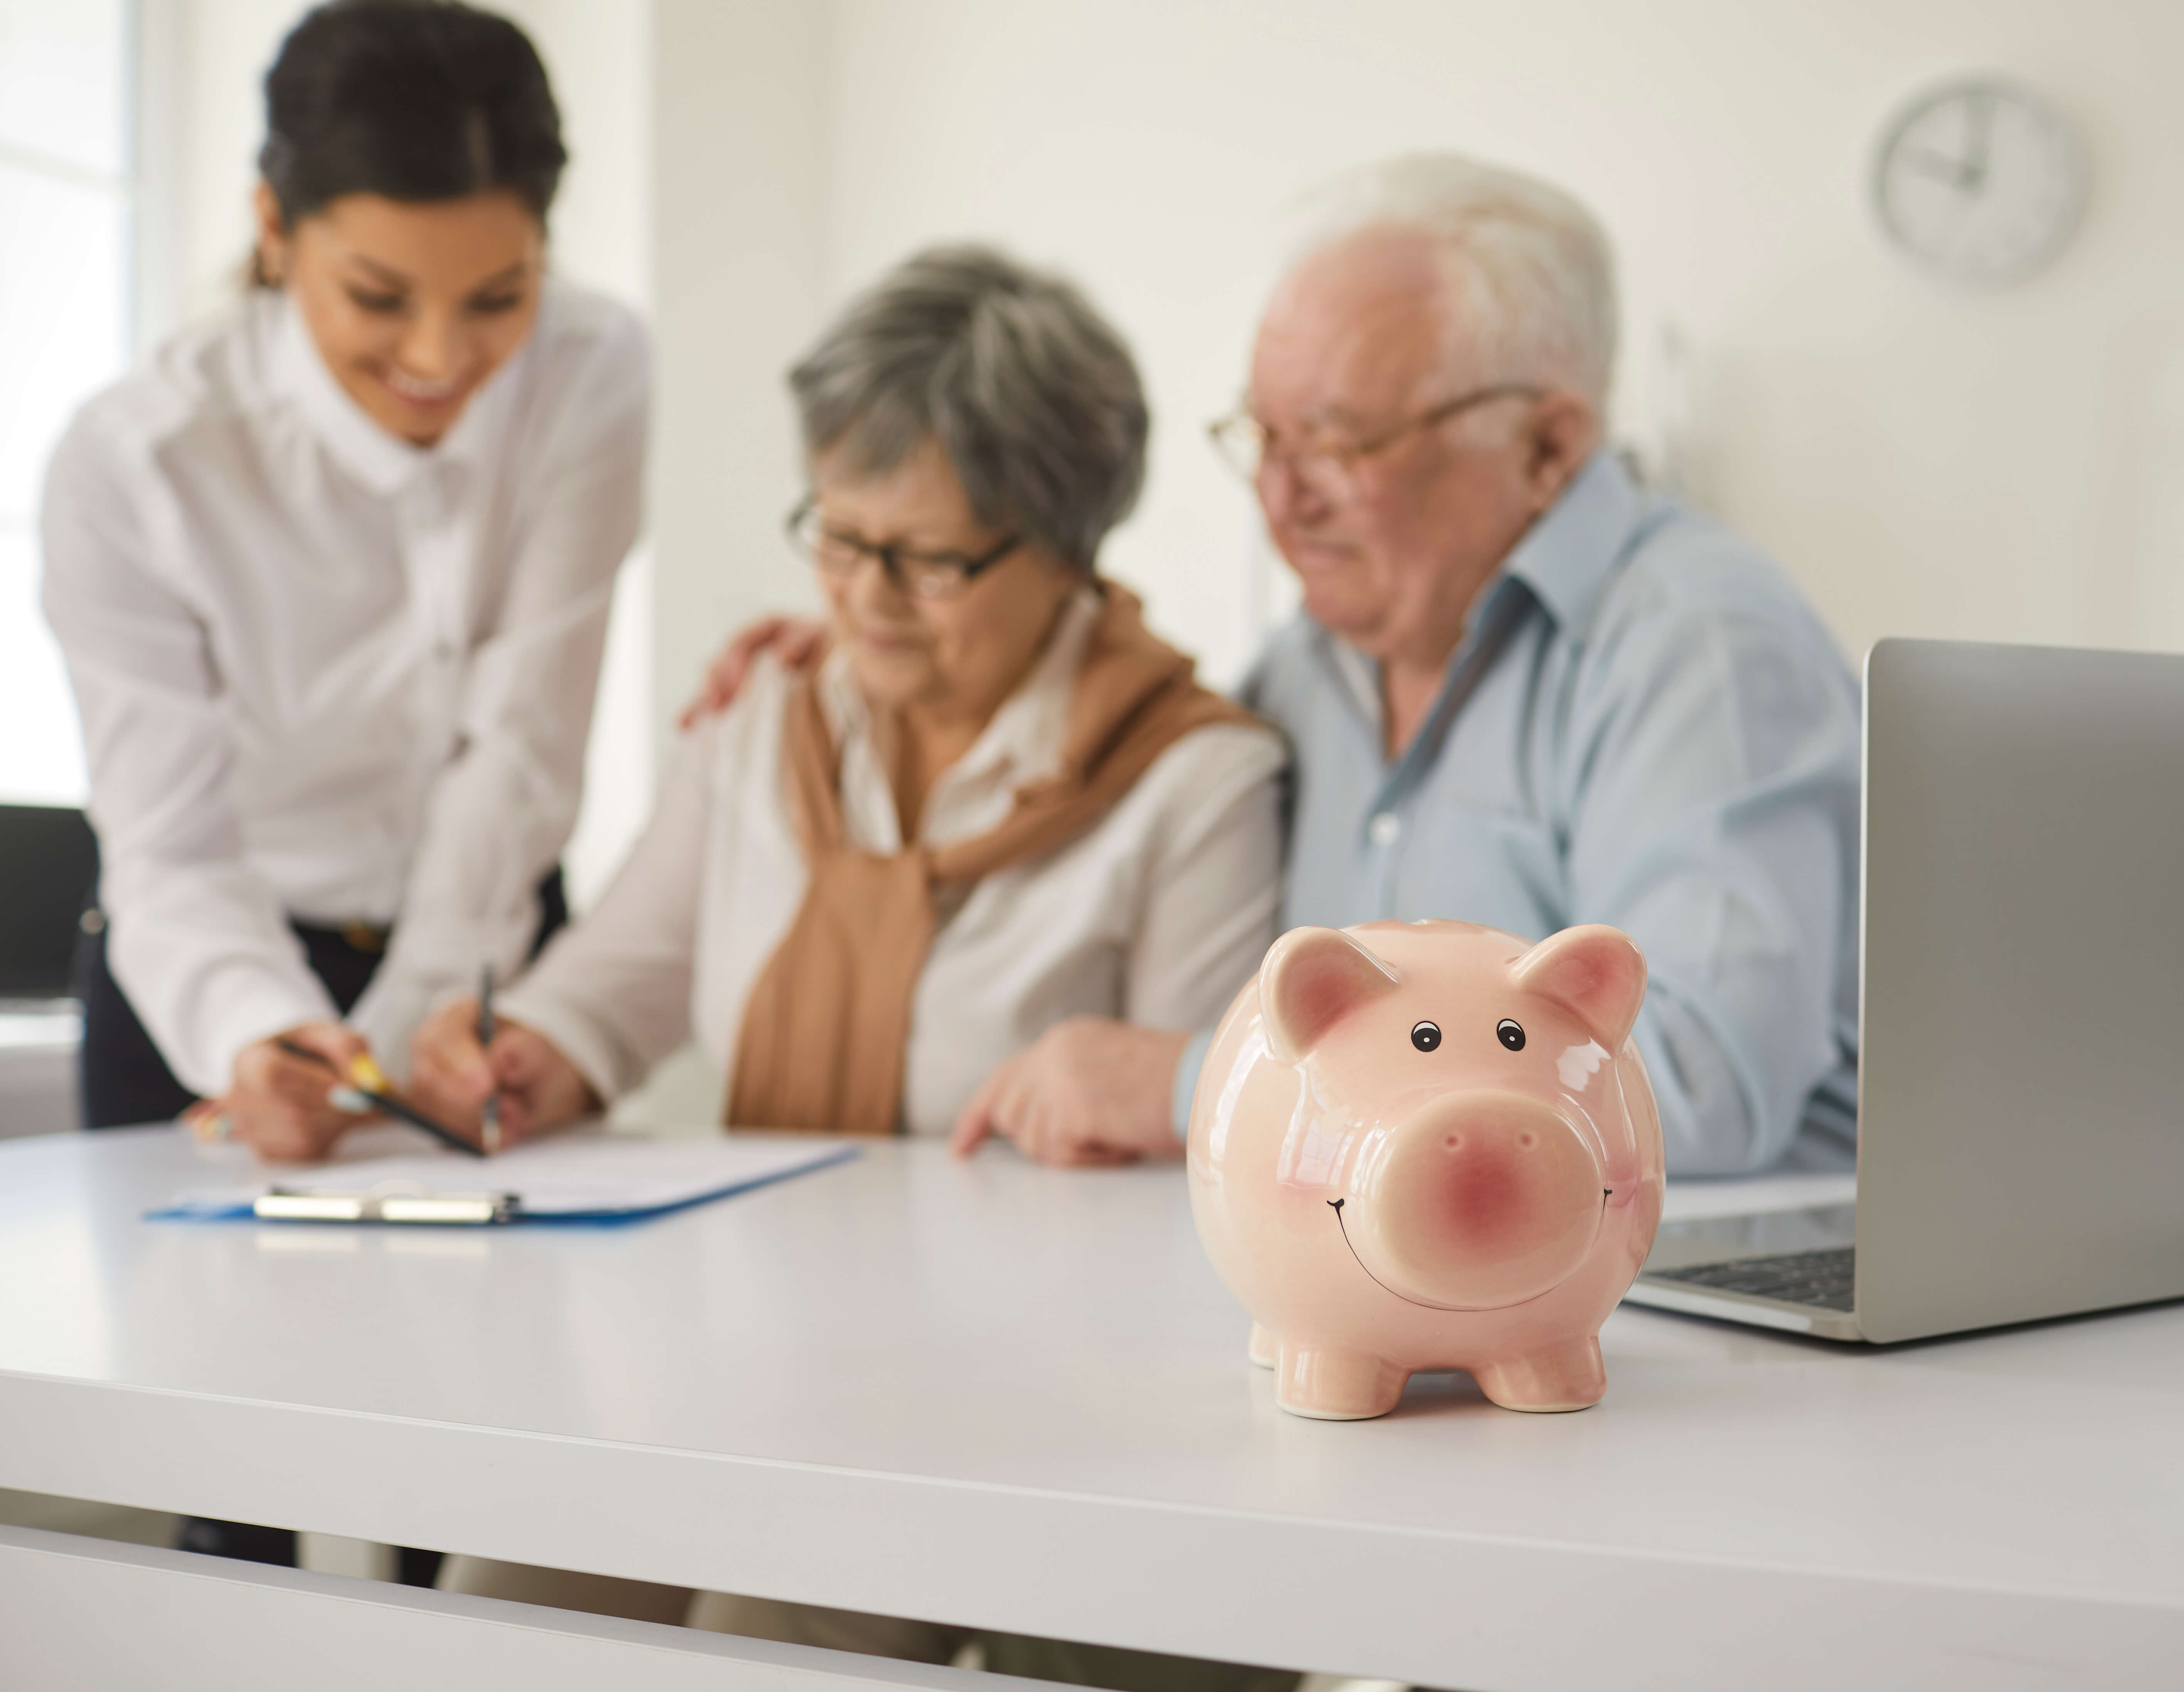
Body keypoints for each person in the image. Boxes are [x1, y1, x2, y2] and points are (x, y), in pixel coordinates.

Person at [411, 246, 1291, 1690]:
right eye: (836, 534)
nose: (866, 597)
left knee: (766, 1633)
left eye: (929, 559)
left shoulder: (1192, 780)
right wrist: (526, 1051)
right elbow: (617, 979)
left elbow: (1197, 1182)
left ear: (1067, 550)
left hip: (1021, 1398)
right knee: (496, 1595)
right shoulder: (766, 714)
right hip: (730, 1348)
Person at [698, 155, 1859, 1180]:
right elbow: (1133, 724)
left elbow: (1703, 1088)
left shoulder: (1696, 643)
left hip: (1707, 1319)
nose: (1281, 498)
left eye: (1341, 444)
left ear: (1547, 446)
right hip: (1424, 1295)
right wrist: (874, 638)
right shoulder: (1312, 668)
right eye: (1264, 437)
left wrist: (1187, 1082)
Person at [40, 0, 649, 1168]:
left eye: (496, 298)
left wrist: (411, 1029)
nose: (440, 359)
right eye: (379, 298)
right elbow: (170, 843)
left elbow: (524, 750)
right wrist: (263, 1033)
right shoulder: (135, 463)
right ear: (273, 226)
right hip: (212, 975)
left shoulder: (593, 373)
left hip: (484, 947)